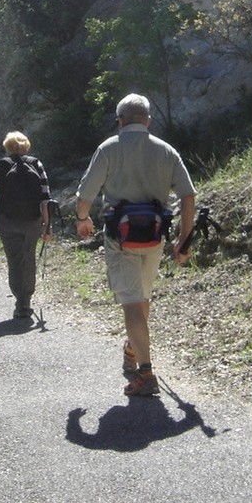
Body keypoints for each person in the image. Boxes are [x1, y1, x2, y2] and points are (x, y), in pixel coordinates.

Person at [75, 93, 195, 397]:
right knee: (141, 296)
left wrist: (83, 219)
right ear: (149, 121)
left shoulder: (108, 149)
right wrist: (184, 238)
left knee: (131, 303)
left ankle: (145, 373)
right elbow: (188, 195)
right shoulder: (167, 151)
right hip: (154, 237)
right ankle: (133, 348)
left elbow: (85, 196)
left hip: (120, 239)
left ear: (120, 120)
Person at [0, 131, 52, 319]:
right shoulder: (36, 164)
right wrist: (47, 225)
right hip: (33, 221)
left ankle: (20, 300)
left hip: (8, 221)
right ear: (26, 145)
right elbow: (46, 198)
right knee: (29, 258)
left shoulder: (2, 165)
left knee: (14, 260)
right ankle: (25, 300)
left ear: (7, 146)